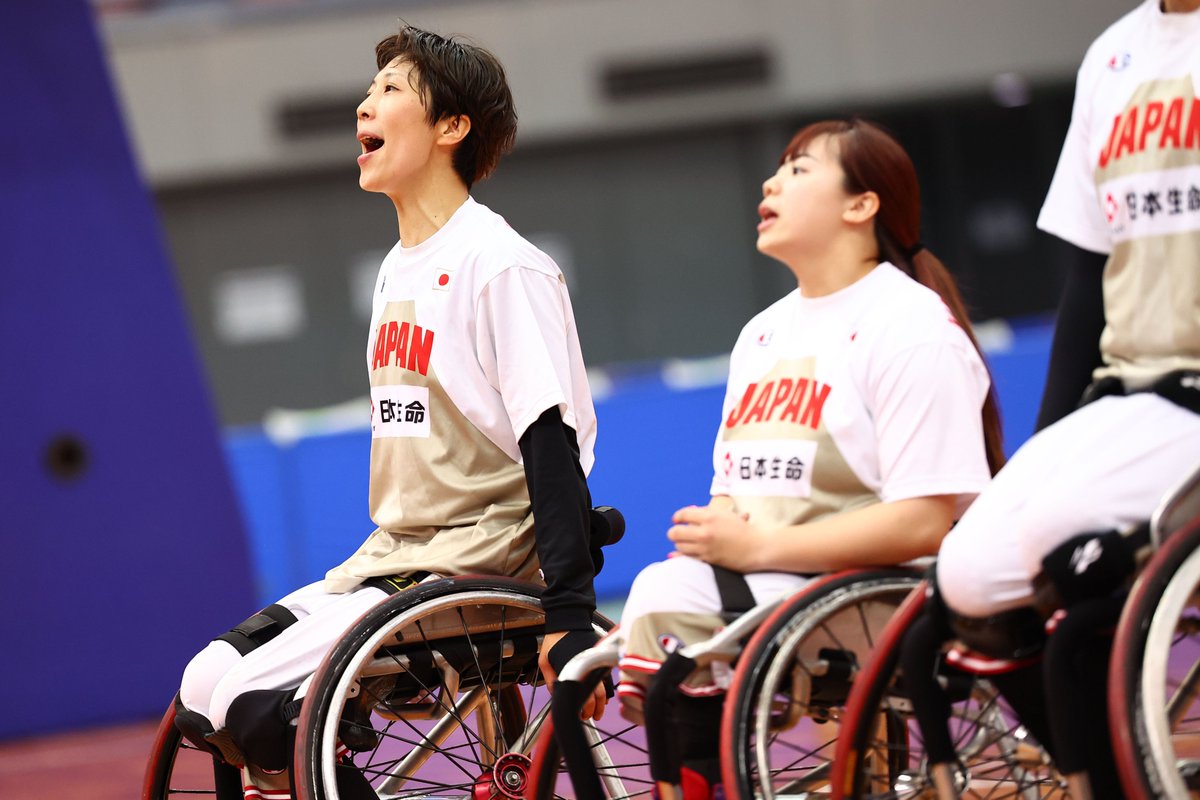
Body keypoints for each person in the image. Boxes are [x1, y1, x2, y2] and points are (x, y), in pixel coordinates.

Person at [173, 25, 606, 799]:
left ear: (451, 127)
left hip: (478, 553)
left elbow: (551, 436)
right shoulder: (397, 268)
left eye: (390, 91)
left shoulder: (500, 264)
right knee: (205, 685)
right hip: (398, 552)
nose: (364, 106)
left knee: (252, 705)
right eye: (369, 91)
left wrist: (571, 609)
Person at [615, 118, 1003, 799]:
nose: (770, 182)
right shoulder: (762, 333)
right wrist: (719, 533)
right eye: (778, 169)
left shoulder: (910, 326)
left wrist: (761, 546)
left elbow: (924, 524)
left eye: (799, 170)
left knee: (668, 613)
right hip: (782, 583)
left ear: (862, 205)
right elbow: (734, 492)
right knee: (648, 609)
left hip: (885, 595)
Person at [934, 0, 1200, 794]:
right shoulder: (1113, 54)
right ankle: (1117, 773)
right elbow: (1089, 277)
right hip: (1133, 390)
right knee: (971, 569)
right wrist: (1044, 446)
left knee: (1054, 536)